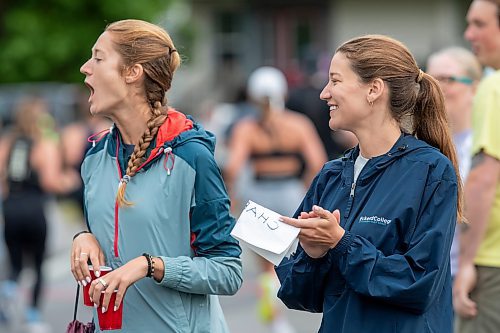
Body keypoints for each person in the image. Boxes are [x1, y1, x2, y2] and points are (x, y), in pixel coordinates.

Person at [275, 34, 463, 333]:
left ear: (374, 89)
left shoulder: (432, 171)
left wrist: (341, 243)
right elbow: (300, 297)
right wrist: (313, 254)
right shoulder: (331, 175)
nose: (325, 93)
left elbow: (418, 284)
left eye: (335, 81)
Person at [71, 19, 242, 333]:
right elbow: (115, 236)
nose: (85, 67)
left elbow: (227, 270)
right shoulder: (95, 157)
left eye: (98, 57)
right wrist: (84, 237)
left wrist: (151, 265)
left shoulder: (191, 157)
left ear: (132, 73)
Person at [223, 66, 327, 333]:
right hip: (292, 193)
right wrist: (307, 192)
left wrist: (233, 196)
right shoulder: (298, 124)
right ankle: (292, 309)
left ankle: (276, 322)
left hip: (259, 198)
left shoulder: (246, 127)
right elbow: (317, 162)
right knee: (294, 258)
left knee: (267, 267)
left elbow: (234, 167)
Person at [0, 96, 81, 325]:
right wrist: (71, 181)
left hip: (11, 207)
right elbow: (50, 181)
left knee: (15, 263)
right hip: (35, 209)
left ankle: (9, 289)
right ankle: (33, 315)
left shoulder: (7, 142)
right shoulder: (44, 144)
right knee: (37, 265)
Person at [453, 1, 500, 332]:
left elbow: (484, 178)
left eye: (479, 24)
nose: (469, 34)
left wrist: (466, 262)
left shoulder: (493, 87)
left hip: (492, 263)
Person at [426, 47, 482, 280]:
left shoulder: (483, 148)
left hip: (473, 274)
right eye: (431, 80)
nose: (438, 88)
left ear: (475, 87)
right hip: (426, 276)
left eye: (447, 79)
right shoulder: (417, 146)